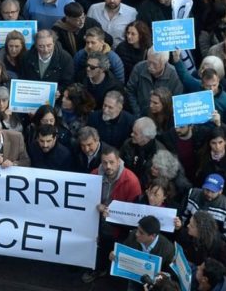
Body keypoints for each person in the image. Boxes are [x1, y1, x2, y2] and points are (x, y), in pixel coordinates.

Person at [82, 145, 141, 283]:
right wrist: (96, 206)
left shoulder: (131, 181)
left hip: (117, 227)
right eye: (104, 162)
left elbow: (133, 211)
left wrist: (112, 213)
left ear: (119, 161)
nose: (108, 166)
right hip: (96, 220)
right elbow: (86, 198)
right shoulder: (94, 174)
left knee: (108, 246)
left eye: (111, 162)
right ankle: (97, 269)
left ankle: (107, 270)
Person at [178, 173, 226, 243]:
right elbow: (182, 215)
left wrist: (206, 236)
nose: (209, 194)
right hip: (187, 237)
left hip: (210, 245)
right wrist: (181, 227)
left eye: (213, 192)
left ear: (220, 191)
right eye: (207, 190)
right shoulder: (192, 194)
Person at [125, 48, 183, 117]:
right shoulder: (139, 68)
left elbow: (176, 100)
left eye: (155, 64)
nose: (151, 66)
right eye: (149, 62)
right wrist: (137, 113)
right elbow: (130, 91)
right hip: (141, 115)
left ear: (164, 62)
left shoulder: (174, 75)